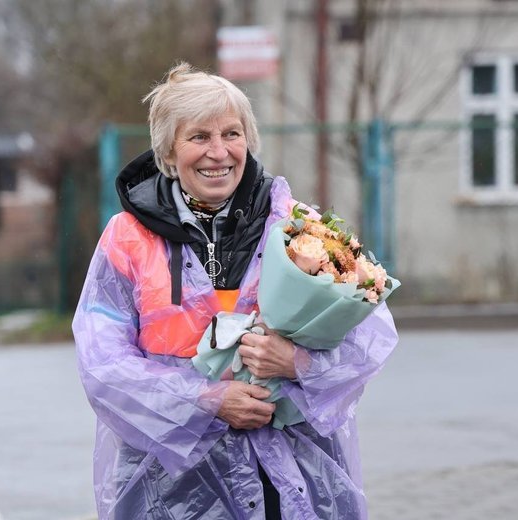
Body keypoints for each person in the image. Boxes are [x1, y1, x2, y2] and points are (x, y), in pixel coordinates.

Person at [72, 62, 399, 520]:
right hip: (171, 483)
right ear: (169, 150)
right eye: (199, 137)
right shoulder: (127, 238)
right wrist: (205, 400)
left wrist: (298, 362)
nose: (219, 152)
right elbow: (103, 364)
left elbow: (370, 337)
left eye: (232, 133)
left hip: (288, 475)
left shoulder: (298, 228)